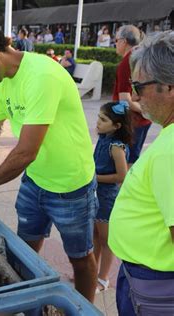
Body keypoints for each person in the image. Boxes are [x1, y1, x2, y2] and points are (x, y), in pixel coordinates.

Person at [0, 24, 98, 301]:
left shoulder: (41, 76)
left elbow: (27, 151)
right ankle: (29, 300)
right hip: (35, 180)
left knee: (80, 258)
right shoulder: (3, 83)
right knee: (25, 250)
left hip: (70, 186)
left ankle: (86, 308)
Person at [108, 31, 174, 315]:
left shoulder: (170, 152)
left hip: (155, 284)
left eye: (139, 86)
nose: (134, 95)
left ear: (169, 86)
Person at [93, 101, 131, 292]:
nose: (98, 122)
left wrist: (94, 177)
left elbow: (122, 176)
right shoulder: (103, 139)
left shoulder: (116, 147)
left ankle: (103, 278)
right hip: (95, 194)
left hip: (107, 197)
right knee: (94, 235)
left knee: (106, 239)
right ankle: (92, 272)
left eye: (103, 119)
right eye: (98, 117)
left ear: (117, 126)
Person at [113, 25, 149, 166]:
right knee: (132, 158)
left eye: (116, 40)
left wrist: (144, 109)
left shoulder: (127, 62)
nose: (115, 44)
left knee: (125, 162)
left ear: (124, 41)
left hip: (132, 121)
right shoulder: (142, 56)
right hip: (144, 119)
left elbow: (125, 101)